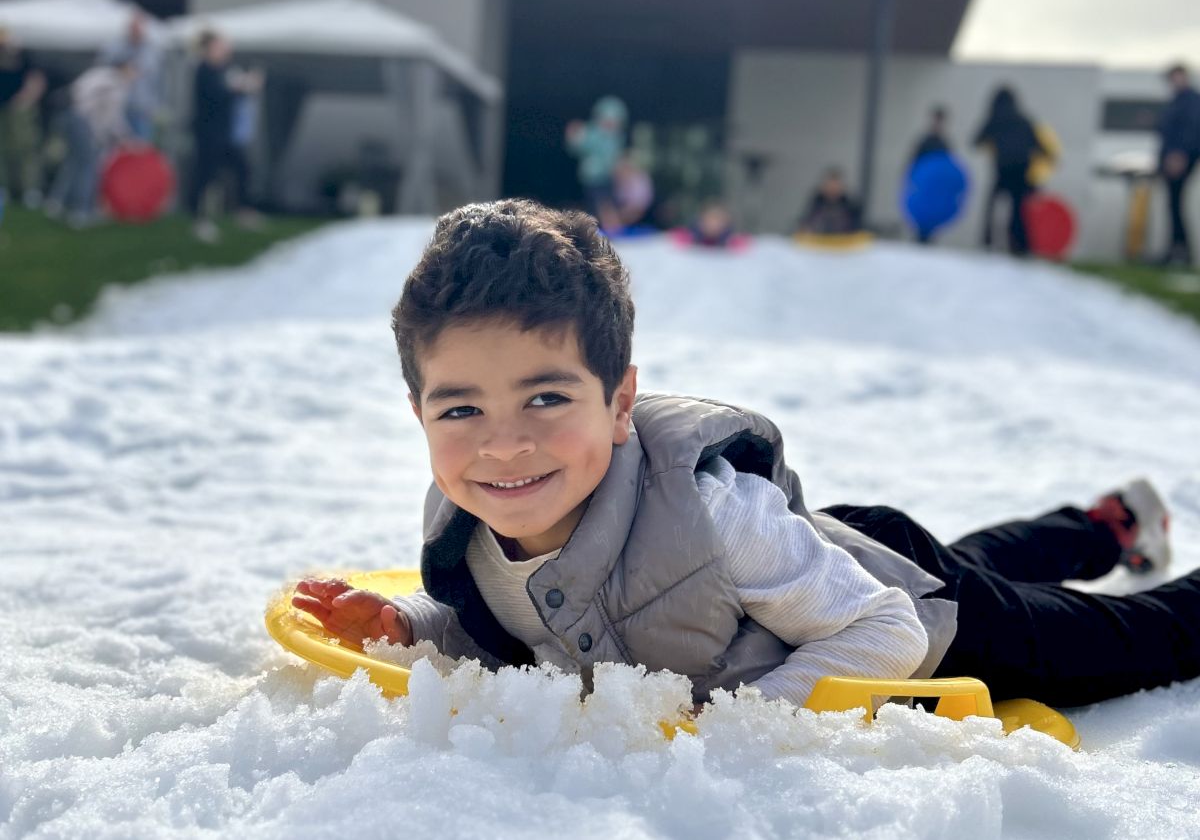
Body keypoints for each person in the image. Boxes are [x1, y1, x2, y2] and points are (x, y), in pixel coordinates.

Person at [293, 198, 1200, 712]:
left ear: (619, 403)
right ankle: (1104, 524)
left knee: (1124, 641)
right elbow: (517, 624)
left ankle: (1140, 564)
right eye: (460, 407)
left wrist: (745, 723)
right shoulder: (474, 521)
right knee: (972, 559)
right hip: (828, 565)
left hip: (924, 614)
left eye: (545, 396)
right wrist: (407, 625)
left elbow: (890, 628)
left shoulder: (715, 518)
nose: (504, 442)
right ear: (418, 412)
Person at [44, 56, 139, 228]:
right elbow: (111, 117)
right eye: (133, 69)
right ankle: (80, 212)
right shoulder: (116, 83)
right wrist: (125, 138)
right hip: (82, 121)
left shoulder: (101, 74)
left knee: (73, 162)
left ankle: (55, 204)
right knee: (88, 166)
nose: (135, 74)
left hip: (69, 116)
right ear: (124, 68)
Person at [188, 30, 263, 243]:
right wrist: (239, 87)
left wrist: (246, 87)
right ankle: (199, 220)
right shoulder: (205, 71)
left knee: (243, 168)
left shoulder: (224, 70)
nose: (225, 51)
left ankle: (243, 211)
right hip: (208, 134)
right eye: (220, 46)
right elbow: (218, 95)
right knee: (205, 176)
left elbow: (234, 92)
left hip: (225, 134)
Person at [973, 86, 1045, 256]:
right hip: (1022, 172)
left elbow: (976, 141)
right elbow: (1040, 146)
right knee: (1019, 210)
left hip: (1003, 170)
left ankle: (987, 240)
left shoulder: (995, 119)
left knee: (991, 205)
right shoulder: (1024, 120)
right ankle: (1019, 245)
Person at [1156, 64, 1200, 267]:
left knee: (1176, 206)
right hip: (1171, 158)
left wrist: (1179, 154)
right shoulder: (1176, 100)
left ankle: (1181, 252)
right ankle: (1177, 250)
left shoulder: (1190, 100)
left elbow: (1191, 130)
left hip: (1181, 159)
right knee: (1173, 206)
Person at [98, 12, 163, 143]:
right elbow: (103, 70)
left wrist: (155, 105)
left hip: (142, 109)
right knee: (116, 147)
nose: (137, 32)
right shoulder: (115, 47)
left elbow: (158, 81)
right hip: (117, 108)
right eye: (134, 28)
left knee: (140, 148)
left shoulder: (152, 51)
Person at [565, 96, 628, 232]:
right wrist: (573, 136)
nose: (611, 124)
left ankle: (611, 228)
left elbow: (614, 157)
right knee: (599, 204)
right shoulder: (592, 134)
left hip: (608, 178)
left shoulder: (616, 138)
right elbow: (576, 146)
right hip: (592, 179)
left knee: (608, 204)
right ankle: (603, 229)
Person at [0, 27, 47, 207]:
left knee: (24, 148)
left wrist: (26, 99)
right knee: (3, 150)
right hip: (2, 107)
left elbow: (37, 78)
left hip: (20, 108)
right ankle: (6, 188)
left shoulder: (22, 55)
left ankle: (30, 190)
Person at [798, 168, 862, 234]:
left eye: (836, 185)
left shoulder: (851, 207)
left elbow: (858, 228)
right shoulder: (816, 205)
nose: (832, 188)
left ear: (842, 187)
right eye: (829, 185)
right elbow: (806, 222)